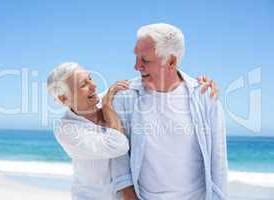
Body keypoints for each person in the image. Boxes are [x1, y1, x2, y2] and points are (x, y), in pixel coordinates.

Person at [111, 23, 228, 200]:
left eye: (145, 60)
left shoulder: (205, 96)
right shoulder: (125, 97)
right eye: (136, 57)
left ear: (171, 61)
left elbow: (218, 163)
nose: (137, 66)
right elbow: (119, 156)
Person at [47, 62, 130, 199]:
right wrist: (108, 107)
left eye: (90, 78)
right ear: (64, 99)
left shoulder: (108, 97)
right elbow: (119, 146)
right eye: (83, 85)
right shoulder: (65, 129)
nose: (94, 85)